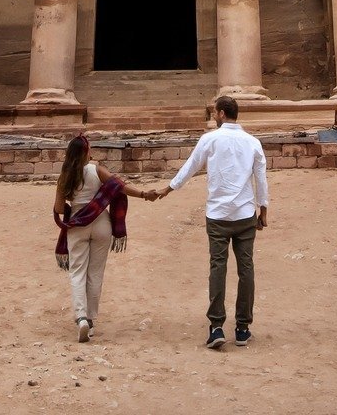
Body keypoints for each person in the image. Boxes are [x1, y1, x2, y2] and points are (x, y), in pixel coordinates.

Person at [144, 95, 268, 350]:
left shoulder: (210, 139)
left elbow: (190, 167)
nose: (213, 115)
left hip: (218, 215)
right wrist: (263, 210)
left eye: (215, 112)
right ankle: (243, 328)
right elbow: (261, 179)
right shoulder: (252, 142)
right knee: (246, 269)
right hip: (245, 214)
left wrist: (168, 188)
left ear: (222, 113)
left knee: (217, 267)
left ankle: (217, 326)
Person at [51, 133, 129, 343]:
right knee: (95, 273)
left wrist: (74, 205)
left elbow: (59, 208)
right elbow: (119, 187)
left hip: (78, 224)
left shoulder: (65, 176)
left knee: (78, 272)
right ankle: (92, 321)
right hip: (102, 223)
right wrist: (144, 194)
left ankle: (81, 318)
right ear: (86, 152)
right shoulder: (96, 170)